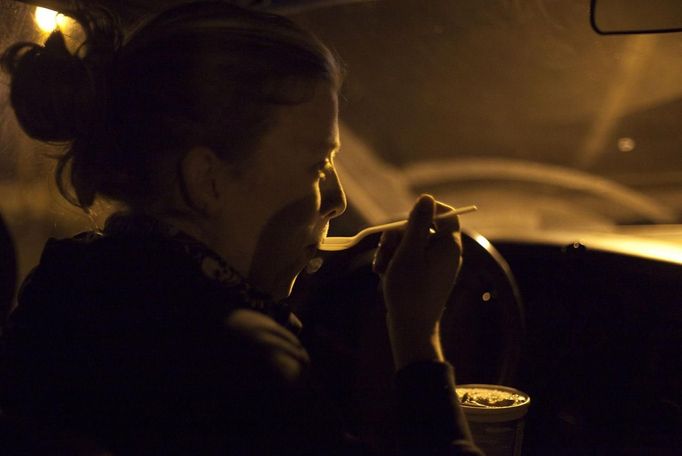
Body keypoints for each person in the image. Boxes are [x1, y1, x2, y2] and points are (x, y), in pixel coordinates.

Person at [0, 2, 482, 454]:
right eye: (318, 165)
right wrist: (418, 338)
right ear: (207, 180)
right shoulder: (240, 366)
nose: (337, 201)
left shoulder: (66, 289)